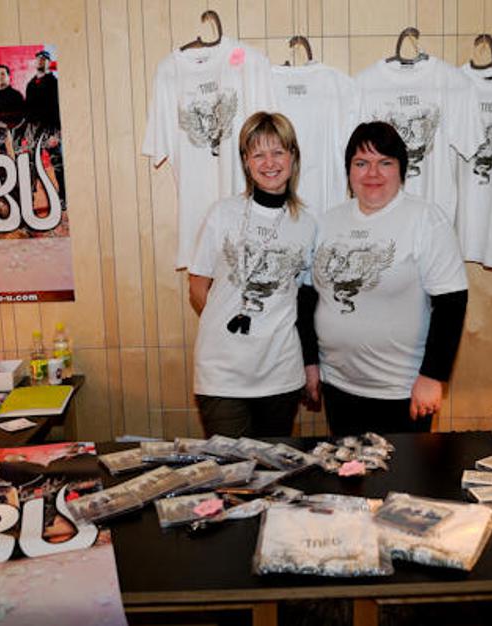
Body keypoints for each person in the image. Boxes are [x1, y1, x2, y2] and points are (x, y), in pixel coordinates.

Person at [306, 121, 468, 435]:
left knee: (402, 468)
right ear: (349, 170)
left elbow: (451, 303)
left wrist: (433, 377)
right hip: (338, 385)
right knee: (347, 466)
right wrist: (310, 362)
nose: (372, 173)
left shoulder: (425, 220)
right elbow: (309, 297)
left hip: (401, 392)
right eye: (361, 163)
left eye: (385, 163)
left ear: (401, 169)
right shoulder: (328, 222)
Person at [188, 111, 317, 438]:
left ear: (293, 157)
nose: (269, 163)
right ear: (246, 161)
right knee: (231, 465)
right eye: (258, 154)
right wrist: (228, 329)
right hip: (222, 374)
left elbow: (304, 301)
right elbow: (197, 286)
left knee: (272, 465)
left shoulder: (307, 224)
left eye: (278, 152)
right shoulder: (222, 214)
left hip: (281, 373)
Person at [24, 49, 64, 203]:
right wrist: (27, 133)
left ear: (49, 62)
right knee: (31, 163)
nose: (40, 60)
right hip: (34, 130)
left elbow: (59, 108)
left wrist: (57, 134)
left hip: (50, 128)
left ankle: (63, 197)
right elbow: (28, 111)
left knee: (57, 163)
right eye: (38, 58)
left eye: (44, 58)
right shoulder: (30, 84)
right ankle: (30, 196)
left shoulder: (54, 83)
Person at [0, 64, 25, 132]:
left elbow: (22, 118)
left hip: (12, 131)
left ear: (9, 77)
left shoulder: (17, 95)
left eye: (3, 74)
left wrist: (8, 127)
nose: (0, 77)